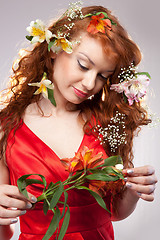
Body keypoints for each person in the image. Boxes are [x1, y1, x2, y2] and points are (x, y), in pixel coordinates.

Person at [0, 2, 158, 240]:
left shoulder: (105, 123)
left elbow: (113, 211)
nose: (89, 83)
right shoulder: (7, 127)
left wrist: (135, 190)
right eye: (83, 65)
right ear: (55, 49)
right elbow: (4, 230)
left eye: (102, 76)